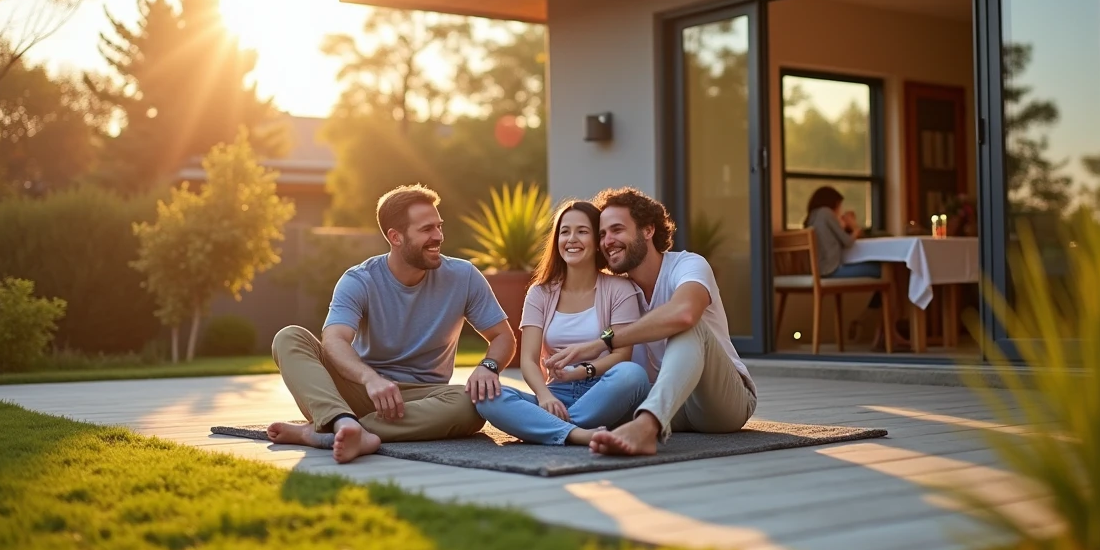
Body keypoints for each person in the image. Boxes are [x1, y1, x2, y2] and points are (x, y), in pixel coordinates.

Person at [266, 184, 515, 463]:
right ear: (395, 237)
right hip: (361, 390)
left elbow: (503, 336)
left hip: (422, 398)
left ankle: (328, 430)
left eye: (439, 226)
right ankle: (342, 421)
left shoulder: (464, 276)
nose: (438, 236)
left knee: (472, 404)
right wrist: (370, 378)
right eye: (427, 229)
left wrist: (488, 366)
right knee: (289, 337)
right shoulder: (360, 279)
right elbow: (334, 339)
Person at [545, 188, 758, 457]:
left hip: (720, 403)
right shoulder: (619, 291)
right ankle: (559, 425)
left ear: (648, 230)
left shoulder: (687, 265)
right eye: (602, 234)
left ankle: (645, 428)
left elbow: (684, 313)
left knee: (690, 327)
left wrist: (603, 341)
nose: (607, 241)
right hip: (661, 400)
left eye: (617, 229)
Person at [475, 201, 651, 445]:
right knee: (487, 397)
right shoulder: (539, 293)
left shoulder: (620, 289)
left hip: (603, 391)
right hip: (556, 393)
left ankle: (553, 428)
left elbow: (622, 354)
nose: (571, 239)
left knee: (633, 375)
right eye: (564, 231)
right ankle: (579, 433)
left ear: (597, 241)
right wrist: (544, 396)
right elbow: (528, 360)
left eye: (582, 231)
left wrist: (581, 371)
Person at [802, 185, 881, 280]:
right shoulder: (826, 213)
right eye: (839, 206)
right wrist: (855, 228)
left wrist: (842, 226)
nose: (840, 210)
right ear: (833, 203)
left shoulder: (812, 217)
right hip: (830, 271)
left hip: (817, 271)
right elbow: (847, 242)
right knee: (880, 269)